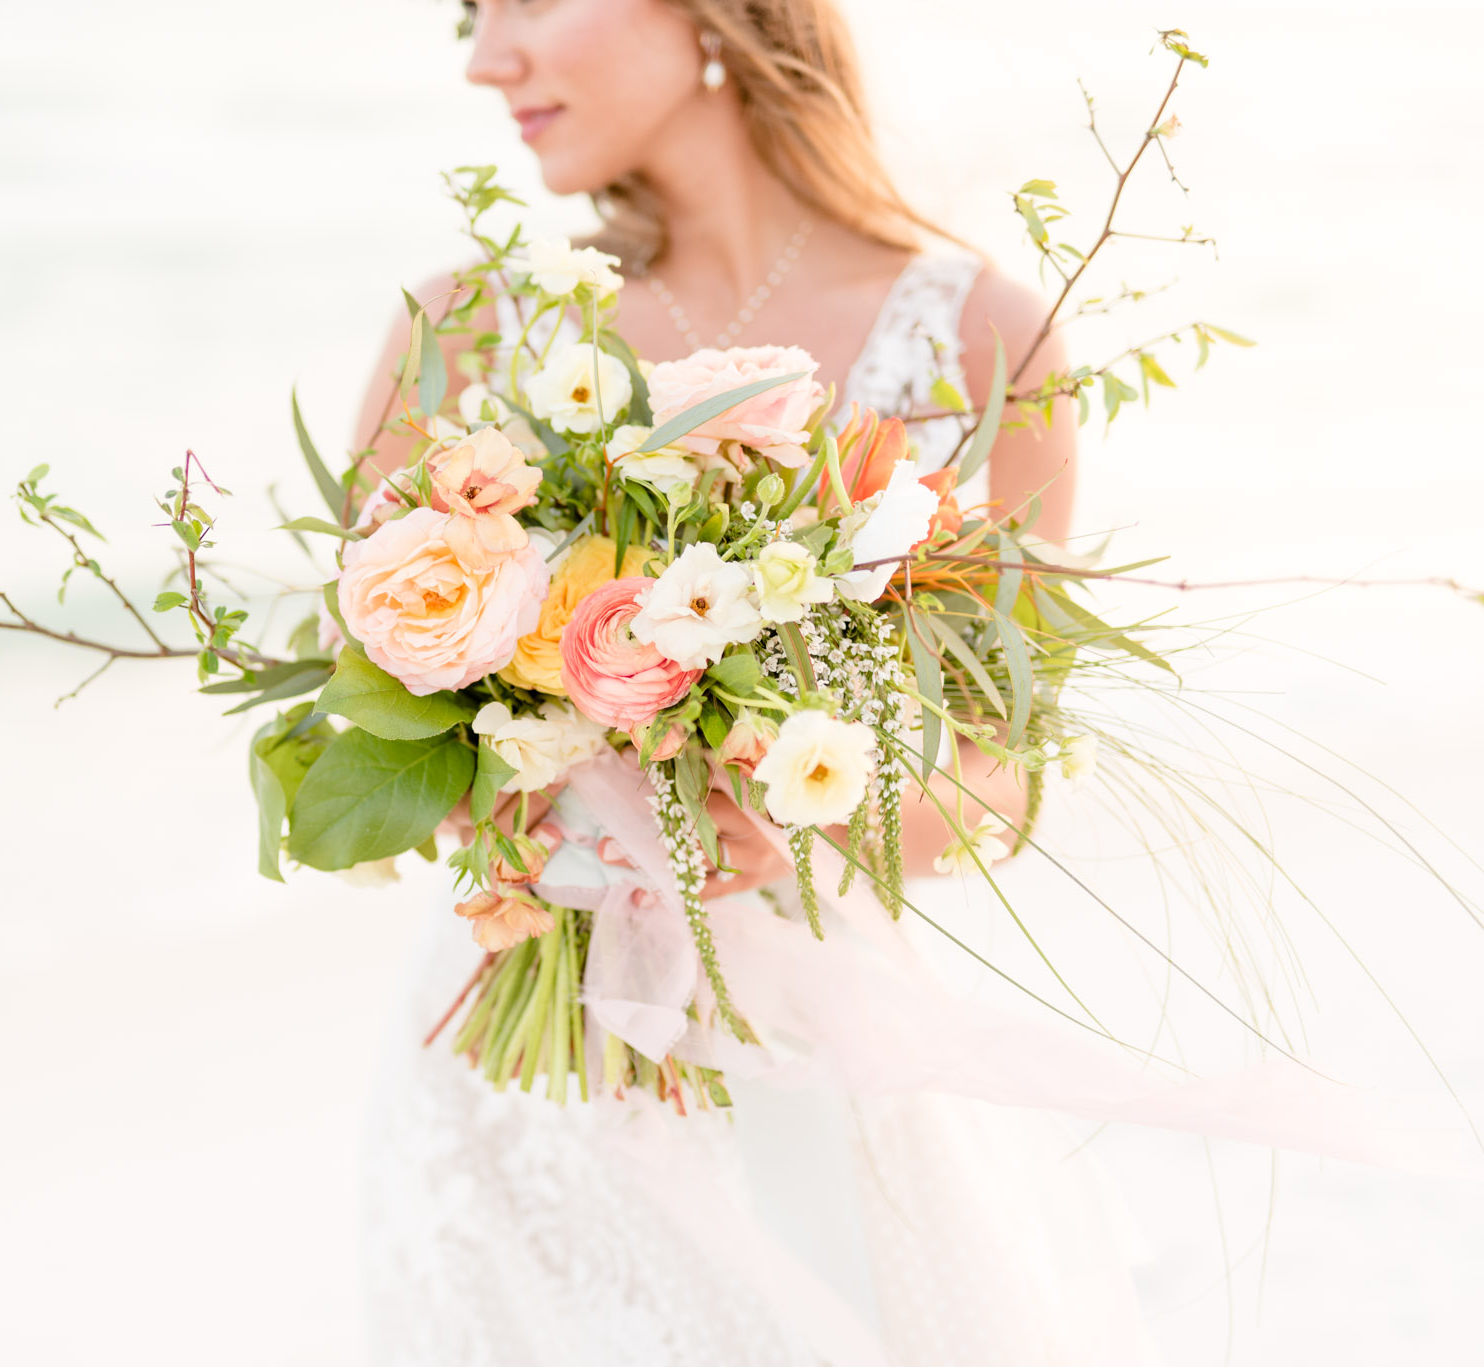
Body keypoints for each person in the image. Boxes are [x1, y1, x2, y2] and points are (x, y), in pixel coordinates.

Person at [353, 3, 1156, 1363]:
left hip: (810, 1040)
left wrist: (797, 814)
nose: (485, 59)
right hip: (517, 1076)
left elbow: (1000, 787)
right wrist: (533, 804)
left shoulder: (980, 340)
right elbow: (369, 733)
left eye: (529, 3)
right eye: (471, 20)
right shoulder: (468, 326)